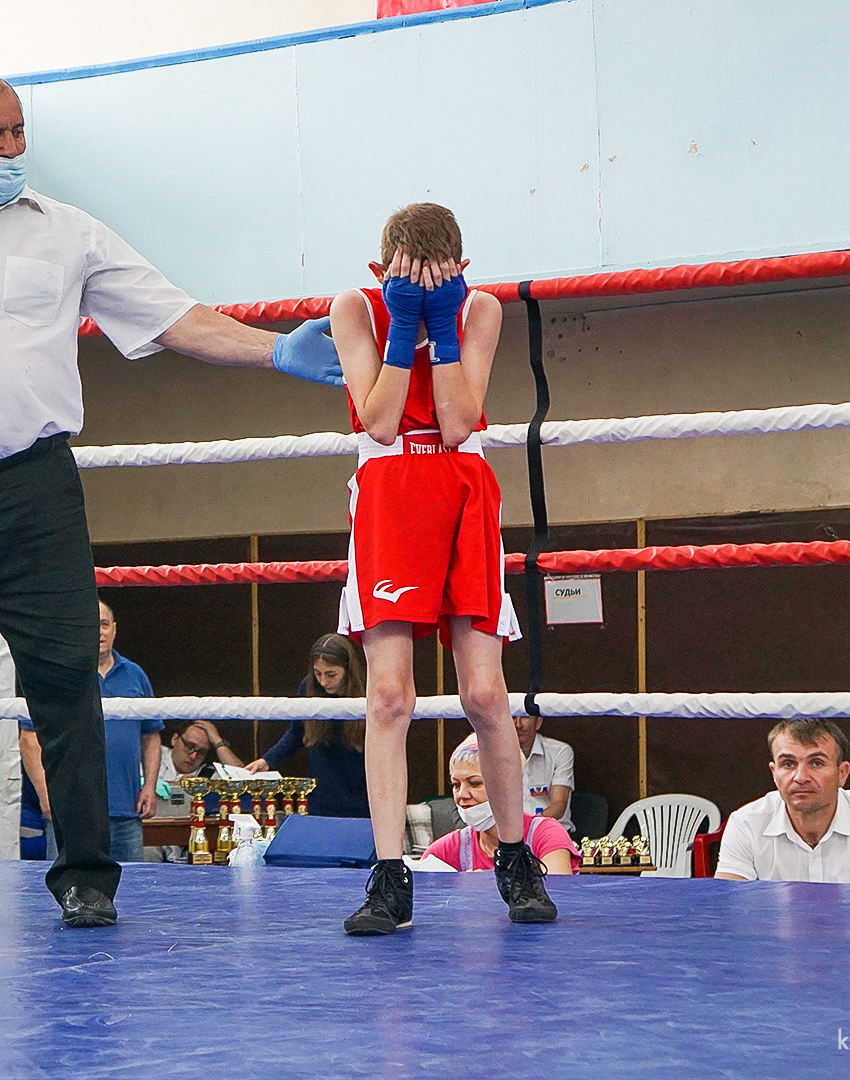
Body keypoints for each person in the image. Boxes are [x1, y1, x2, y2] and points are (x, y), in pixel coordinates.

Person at [0, 71, 344, 932]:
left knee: (66, 685)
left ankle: (85, 875)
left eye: (18, 133)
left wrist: (274, 353)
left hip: (33, 487)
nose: (11, 150)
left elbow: (173, 317)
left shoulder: (67, 233)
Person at [327, 203, 555, 936]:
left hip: (460, 489)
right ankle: (390, 877)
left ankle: (517, 860)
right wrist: (402, 324)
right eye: (407, 284)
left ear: (459, 273)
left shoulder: (480, 308)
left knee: (487, 696)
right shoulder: (355, 308)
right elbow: (384, 420)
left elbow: (459, 421)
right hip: (391, 492)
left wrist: (445, 318)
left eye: (438, 283)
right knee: (390, 696)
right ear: (381, 274)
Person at [22, 600, 158, 861]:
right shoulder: (58, 674)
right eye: (91, 625)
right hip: (68, 809)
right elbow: (29, 739)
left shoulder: (135, 675)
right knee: (65, 889)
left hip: (125, 811)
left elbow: (150, 734)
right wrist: (44, 793)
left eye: (104, 624)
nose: (98, 632)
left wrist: (149, 785)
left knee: (135, 893)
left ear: (114, 629)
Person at [715, 719, 850, 885]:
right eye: (788, 764)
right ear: (774, 773)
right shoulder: (745, 824)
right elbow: (731, 912)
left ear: (842, 774)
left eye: (816, 763)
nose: (800, 777)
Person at [245, 634, 369, 818]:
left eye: (331, 674)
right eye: (318, 673)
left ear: (347, 668)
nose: (324, 681)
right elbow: (297, 732)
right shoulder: (309, 687)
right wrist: (268, 760)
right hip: (321, 792)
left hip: (361, 793)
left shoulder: (368, 688)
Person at [423, 737, 579, 875]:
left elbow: (559, 896)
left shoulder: (546, 835)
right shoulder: (447, 849)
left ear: (509, 785)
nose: (462, 794)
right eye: (456, 785)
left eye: (475, 783)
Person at [513, 712, 576, 834]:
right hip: (509, 837)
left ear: (538, 722)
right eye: (513, 717)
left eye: (525, 717)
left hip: (551, 833)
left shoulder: (560, 751)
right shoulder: (494, 754)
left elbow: (559, 805)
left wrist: (529, 826)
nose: (518, 724)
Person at [155, 720, 245, 790]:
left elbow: (242, 778)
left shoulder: (209, 773)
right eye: (190, 746)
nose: (193, 756)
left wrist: (218, 741)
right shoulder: (153, 756)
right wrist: (175, 785)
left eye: (201, 752)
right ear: (175, 739)